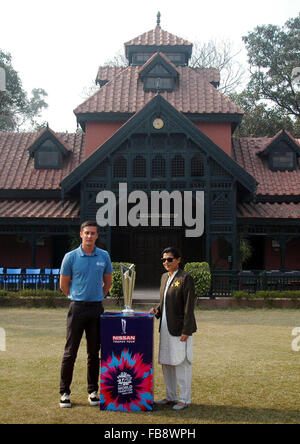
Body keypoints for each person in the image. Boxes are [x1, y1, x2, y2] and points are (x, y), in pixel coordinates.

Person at [59, 221, 113, 408]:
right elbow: (63, 284)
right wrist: (77, 297)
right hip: (77, 308)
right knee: (70, 352)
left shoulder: (104, 256)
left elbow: (108, 282)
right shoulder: (71, 257)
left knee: (93, 353)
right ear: (81, 234)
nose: (90, 236)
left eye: (93, 233)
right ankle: (65, 392)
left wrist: (97, 297)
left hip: (96, 309)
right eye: (87, 233)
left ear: (97, 236)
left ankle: (93, 391)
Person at [150, 247, 197, 411]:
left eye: (170, 259)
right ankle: (170, 396)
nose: (166, 262)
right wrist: (157, 310)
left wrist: (187, 330)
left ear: (178, 260)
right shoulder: (164, 277)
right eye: (163, 260)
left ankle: (184, 399)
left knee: (181, 363)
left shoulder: (185, 278)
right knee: (167, 362)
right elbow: (164, 302)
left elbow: (188, 307)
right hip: (165, 328)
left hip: (180, 329)